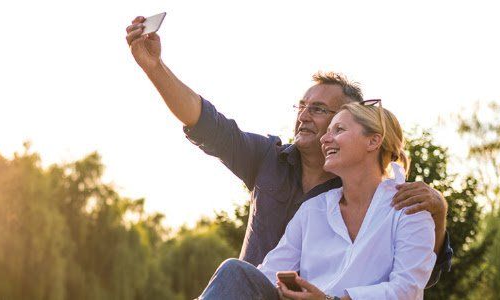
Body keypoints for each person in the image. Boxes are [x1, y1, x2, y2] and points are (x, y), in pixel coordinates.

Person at [124, 16, 452, 285]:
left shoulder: (368, 191)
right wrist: (154, 67)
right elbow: (206, 123)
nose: (304, 115)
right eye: (302, 105)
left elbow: (421, 276)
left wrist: (438, 213)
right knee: (235, 272)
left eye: (321, 111)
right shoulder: (268, 158)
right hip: (256, 294)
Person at [199, 101, 435, 299]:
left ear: (373, 141)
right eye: (327, 131)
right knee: (236, 272)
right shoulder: (313, 210)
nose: (325, 139)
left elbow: (407, 290)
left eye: (339, 130)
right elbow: (268, 275)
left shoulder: (409, 207)